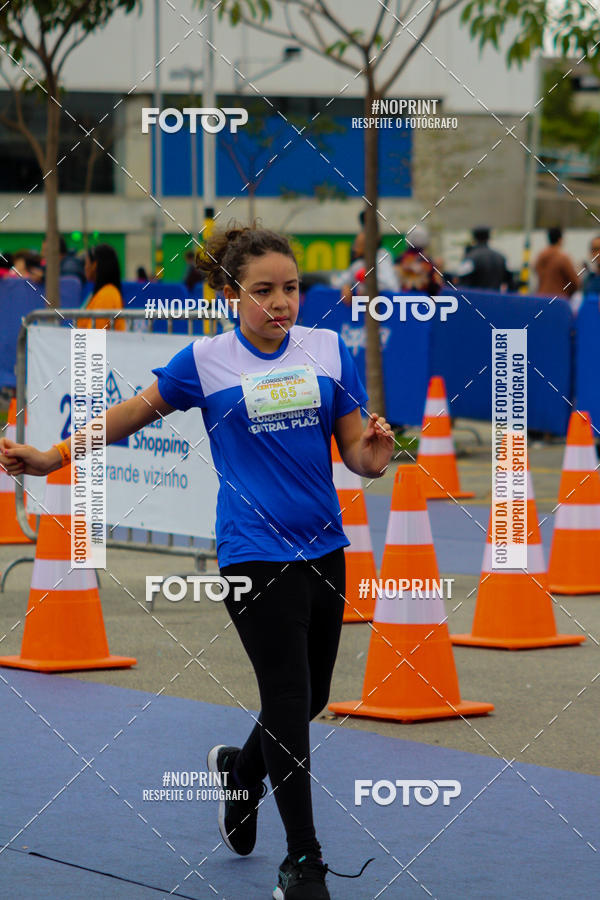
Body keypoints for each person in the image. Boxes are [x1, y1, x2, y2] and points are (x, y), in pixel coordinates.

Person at [0, 223, 389, 899]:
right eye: (264, 290)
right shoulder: (206, 361)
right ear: (231, 294)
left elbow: (356, 448)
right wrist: (53, 456)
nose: (281, 303)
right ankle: (303, 863)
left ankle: (242, 770)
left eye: (291, 288)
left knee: (313, 697)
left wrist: (371, 460)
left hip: (326, 549)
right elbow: (129, 415)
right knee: (290, 703)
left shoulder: (327, 350)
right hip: (252, 556)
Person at [77, 243, 126, 331]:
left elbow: (95, 333)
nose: (85, 267)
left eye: (86, 263)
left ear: (94, 265)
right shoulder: (101, 293)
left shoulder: (107, 295)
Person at [456, 226, 514, 291]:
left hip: (475, 297)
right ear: (489, 237)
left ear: (474, 238)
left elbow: (463, 281)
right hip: (495, 297)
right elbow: (510, 281)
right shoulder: (501, 257)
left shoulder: (470, 257)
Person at [394, 225, 443, 295]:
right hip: (423, 301)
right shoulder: (427, 262)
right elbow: (436, 285)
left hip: (401, 300)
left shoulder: (399, 260)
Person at [533, 226, 580, 299]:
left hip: (541, 298)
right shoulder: (562, 258)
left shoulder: (540, 258)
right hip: (558, 300)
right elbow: (575, 282)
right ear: (560, 240)